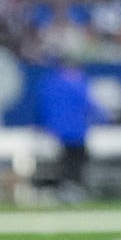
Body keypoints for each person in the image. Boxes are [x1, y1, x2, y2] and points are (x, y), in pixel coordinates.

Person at [35, 59, 99, 200]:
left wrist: (46, 125)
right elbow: (90, 105)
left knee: (64, 160)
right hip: (75, 130)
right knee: (77, 160)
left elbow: (42, 107)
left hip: (58, 131)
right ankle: (73, 188)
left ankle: (64, 187)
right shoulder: (77, 84)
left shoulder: (49, 83)